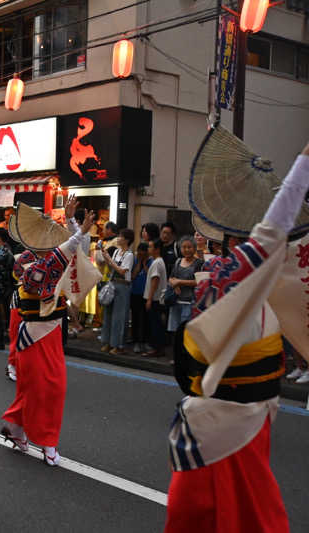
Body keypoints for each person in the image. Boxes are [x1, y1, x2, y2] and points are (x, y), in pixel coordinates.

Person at [163, 136, 309, 533]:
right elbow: (279, 221)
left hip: (211, 412)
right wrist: (303, 164)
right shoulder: (245, 271)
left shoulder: (220, 274)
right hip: (239, 418)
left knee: (194, 515)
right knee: (252, 516)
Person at [1, 201, 95, 466]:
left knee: (36, 389)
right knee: (51, 389)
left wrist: (74, 223)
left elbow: (78, 255)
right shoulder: (27, 263)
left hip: (51, 332)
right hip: (33, 335)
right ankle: (48, 442)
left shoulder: (56, 259)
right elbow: (58, 261)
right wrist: (76, 234)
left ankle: (17, 430)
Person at [99, 228, 135, 355]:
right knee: (108, 315)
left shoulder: (129, 255)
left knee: (119, 317)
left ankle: (118, 345)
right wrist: (107, 259)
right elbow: (111, 267)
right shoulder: (117, 252)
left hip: (123, 286)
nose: (118, 238)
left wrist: (109, 259)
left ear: (127, 240)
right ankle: (107, 342)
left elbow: (122, 271)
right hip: (113, 284)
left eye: (121, 236)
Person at [166, 237, 203, 335]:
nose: (186, 250)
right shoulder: (178, 261)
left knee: (186, 331)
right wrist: (174, 285)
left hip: (190, 302)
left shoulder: (198, 263)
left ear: (194, 248)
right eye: (184, 247)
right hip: (175, 301)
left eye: (189, 247)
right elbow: (171, 278)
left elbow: (199, 282)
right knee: (175, 331)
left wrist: (179, 282)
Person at [142, 239, 168, 357]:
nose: (148, 249)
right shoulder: (157, 261)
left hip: (155, 299)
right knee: (157, 323)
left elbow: (155, 280)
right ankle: (158, 348)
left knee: (155, 324)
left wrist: (149, 299)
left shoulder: (157, 262)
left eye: (150, 247)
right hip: (157, 298)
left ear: (157, 249)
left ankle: (156, 348)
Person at [129, 241, 150, 354]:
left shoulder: (151, 261)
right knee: (136, 317)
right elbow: (133, 276)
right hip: (135, 293)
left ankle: (143, 341)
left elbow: (149, 275)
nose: (140, 255)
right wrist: (139, 263)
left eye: (143, 253)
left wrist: (145, 263)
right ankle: (135, 339)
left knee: (144, 318)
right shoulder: (135, 261)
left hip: (145, 294)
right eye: (139, 253)